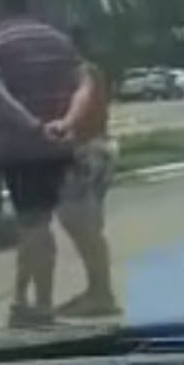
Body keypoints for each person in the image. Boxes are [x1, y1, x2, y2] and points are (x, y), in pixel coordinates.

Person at [0, 0, 82, 328]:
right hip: (60, 144)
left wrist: (34, 126)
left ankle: (43, 307)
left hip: (21, 149)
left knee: (34, 227)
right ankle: (21, 301)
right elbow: (81, 84)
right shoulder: (59, 40)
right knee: (34, 225)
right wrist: (64, 123)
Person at [47, 33, 121, 318]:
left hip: (89, 152)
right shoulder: (78, 71)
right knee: (84, 224)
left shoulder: (83, 71)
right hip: (93, 152)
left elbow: (84, 95)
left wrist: (66, 123)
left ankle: (101, 293)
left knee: (81, 223)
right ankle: (98, 290)